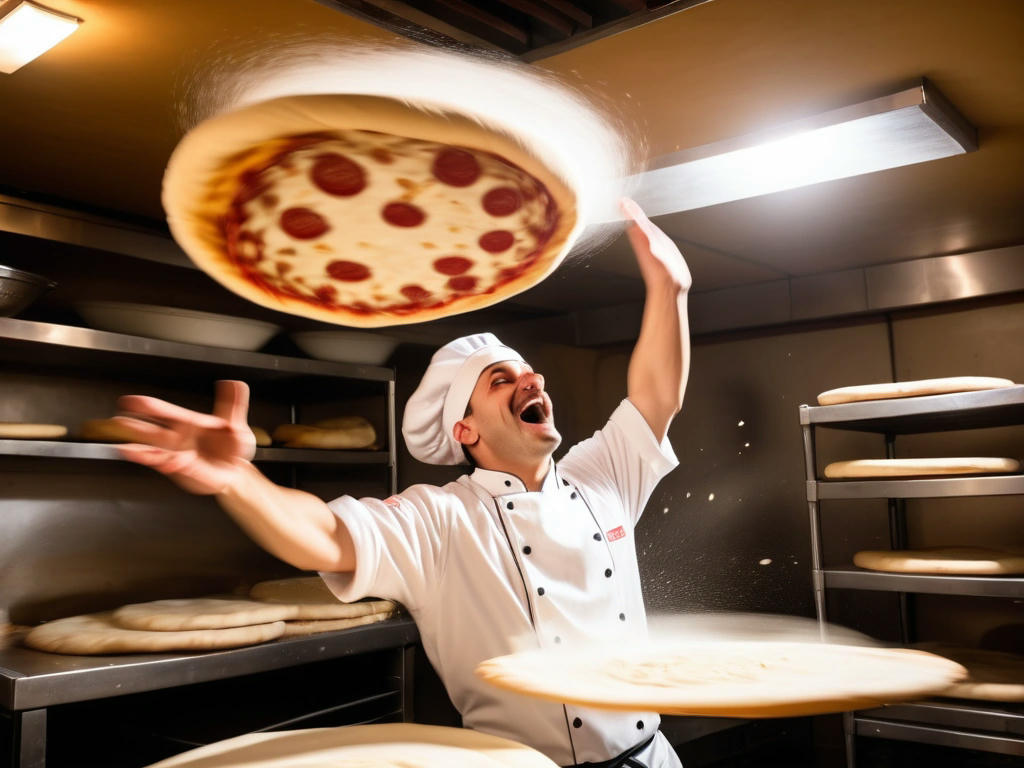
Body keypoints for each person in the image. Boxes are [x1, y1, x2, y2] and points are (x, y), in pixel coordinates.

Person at [114, 198, 692, 768]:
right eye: (501, 379)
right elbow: (323, 534)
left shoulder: (600, 477)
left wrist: (671, 291)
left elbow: (655, 397)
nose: (531, 380)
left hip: (653, 759)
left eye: (529, 372)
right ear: (465, 428)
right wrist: (236, 478)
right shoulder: (438, 519)